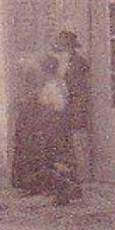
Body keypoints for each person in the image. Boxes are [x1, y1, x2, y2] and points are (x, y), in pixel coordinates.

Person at [37, 52, 80, 205]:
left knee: (55, 158)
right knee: (61, 156)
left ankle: (63, 192)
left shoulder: (52, 85)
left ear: (46, 70)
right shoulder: (60, 82)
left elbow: (59, 105)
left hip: (55, 124)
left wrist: (48, 111)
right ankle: (63, 190)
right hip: (60, 123)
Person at [54, 30, 92, 189]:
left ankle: (84, 175)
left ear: (71, 46)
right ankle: (69, 176)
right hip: (62, 105)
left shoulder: (79, 62)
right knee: (64, 142)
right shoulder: (60, 61)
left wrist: (78, 108)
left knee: (78, 138)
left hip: (75, 104)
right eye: (61, 45)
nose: (63, 48)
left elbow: (81, 89)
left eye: (65, 45)